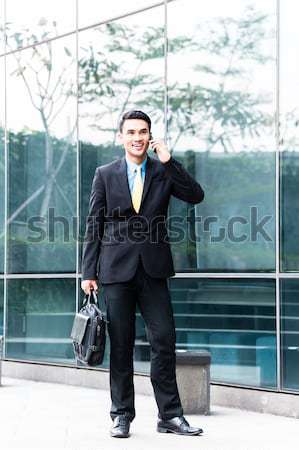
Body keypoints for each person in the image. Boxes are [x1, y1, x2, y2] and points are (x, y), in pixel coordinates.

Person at [81, 110, 205, 438]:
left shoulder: (163, 172)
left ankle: (170, 416)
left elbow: (195, 195)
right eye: (132, 131)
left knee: (164, 340)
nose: (138, 137)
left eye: (143, 132)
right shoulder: (105, 174)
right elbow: (95, 223)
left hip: (153, 268)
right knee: (120, 345)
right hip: (115, 270)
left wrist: (169, 161)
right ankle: (121, 414)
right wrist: (87, 271)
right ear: (121, 137)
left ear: (150, 137)